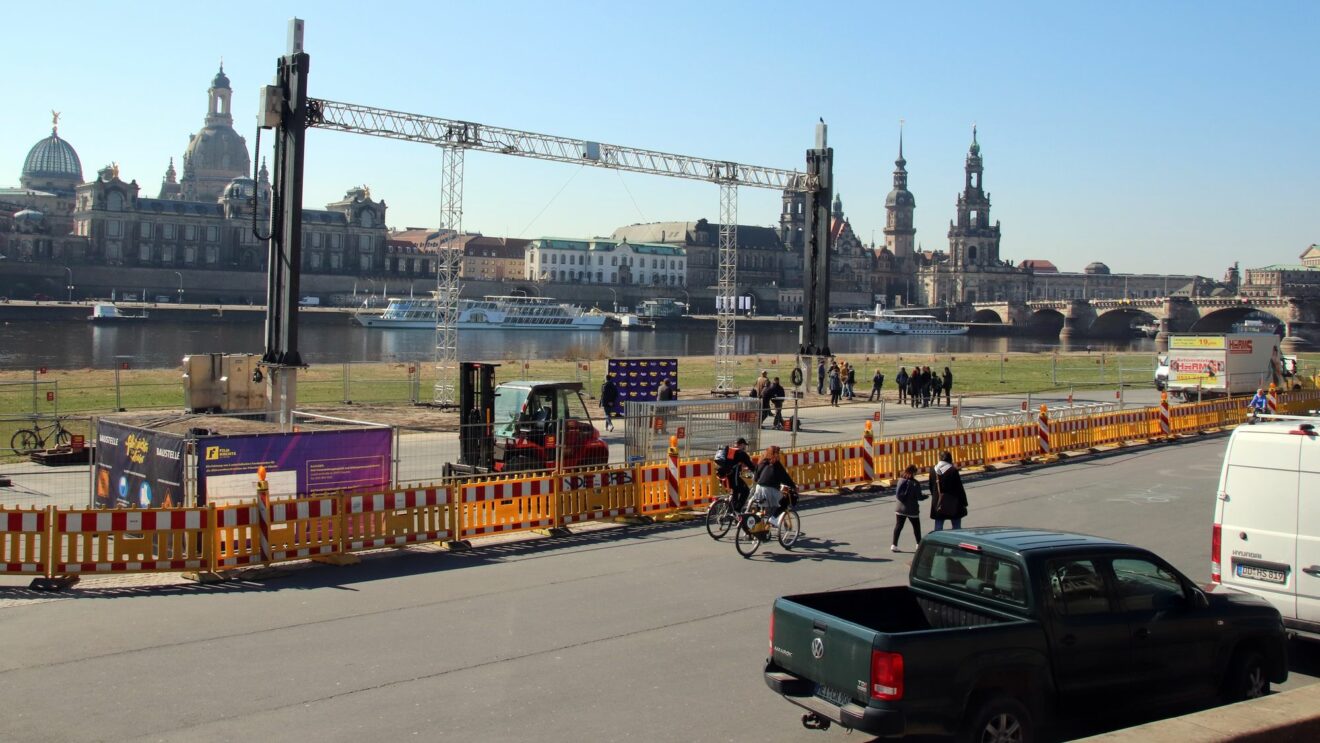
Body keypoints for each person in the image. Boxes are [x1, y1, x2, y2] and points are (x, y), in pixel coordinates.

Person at [752, 445, 797, 526]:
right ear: (775, 454)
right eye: (777, 453)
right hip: (769, 490)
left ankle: (761, 524)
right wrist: (793, 486)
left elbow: (755, 477)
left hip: (759, 489)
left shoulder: (761, 462)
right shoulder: (776, 463)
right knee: (784, 502)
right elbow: (785, 477)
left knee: (762, 506)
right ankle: (773, 518)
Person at [929, 451, 968, 531]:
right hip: (953, 501)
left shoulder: (933, 470)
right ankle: (955, 541)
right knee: (956, 526)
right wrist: (964, 502)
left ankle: (938, 541)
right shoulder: (953, 470)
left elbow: (931, 487)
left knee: (938, 525)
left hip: (938, 502)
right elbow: (959, 488)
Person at [716, 437, 757, 512]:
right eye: (744, 445)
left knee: (736, 491)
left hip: (722, 476)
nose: (745, 448)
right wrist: (757, 472)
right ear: (742, 444)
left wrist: (744, 468)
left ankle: (732, 511)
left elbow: (733, 464)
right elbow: (751, 465)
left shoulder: (729, 451)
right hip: (733, 477)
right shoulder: (741, 453)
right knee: (746, 491)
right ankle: (737, 511)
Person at [891, 464, 925, 552]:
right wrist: (925, 496)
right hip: (911, 508)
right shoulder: (915, 483)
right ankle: (918, 544)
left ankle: (894, 544)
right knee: (916, 527)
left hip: (900, 507)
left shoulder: (900, 480)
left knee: (898, 526)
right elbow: (919, 497)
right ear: (913, 473)